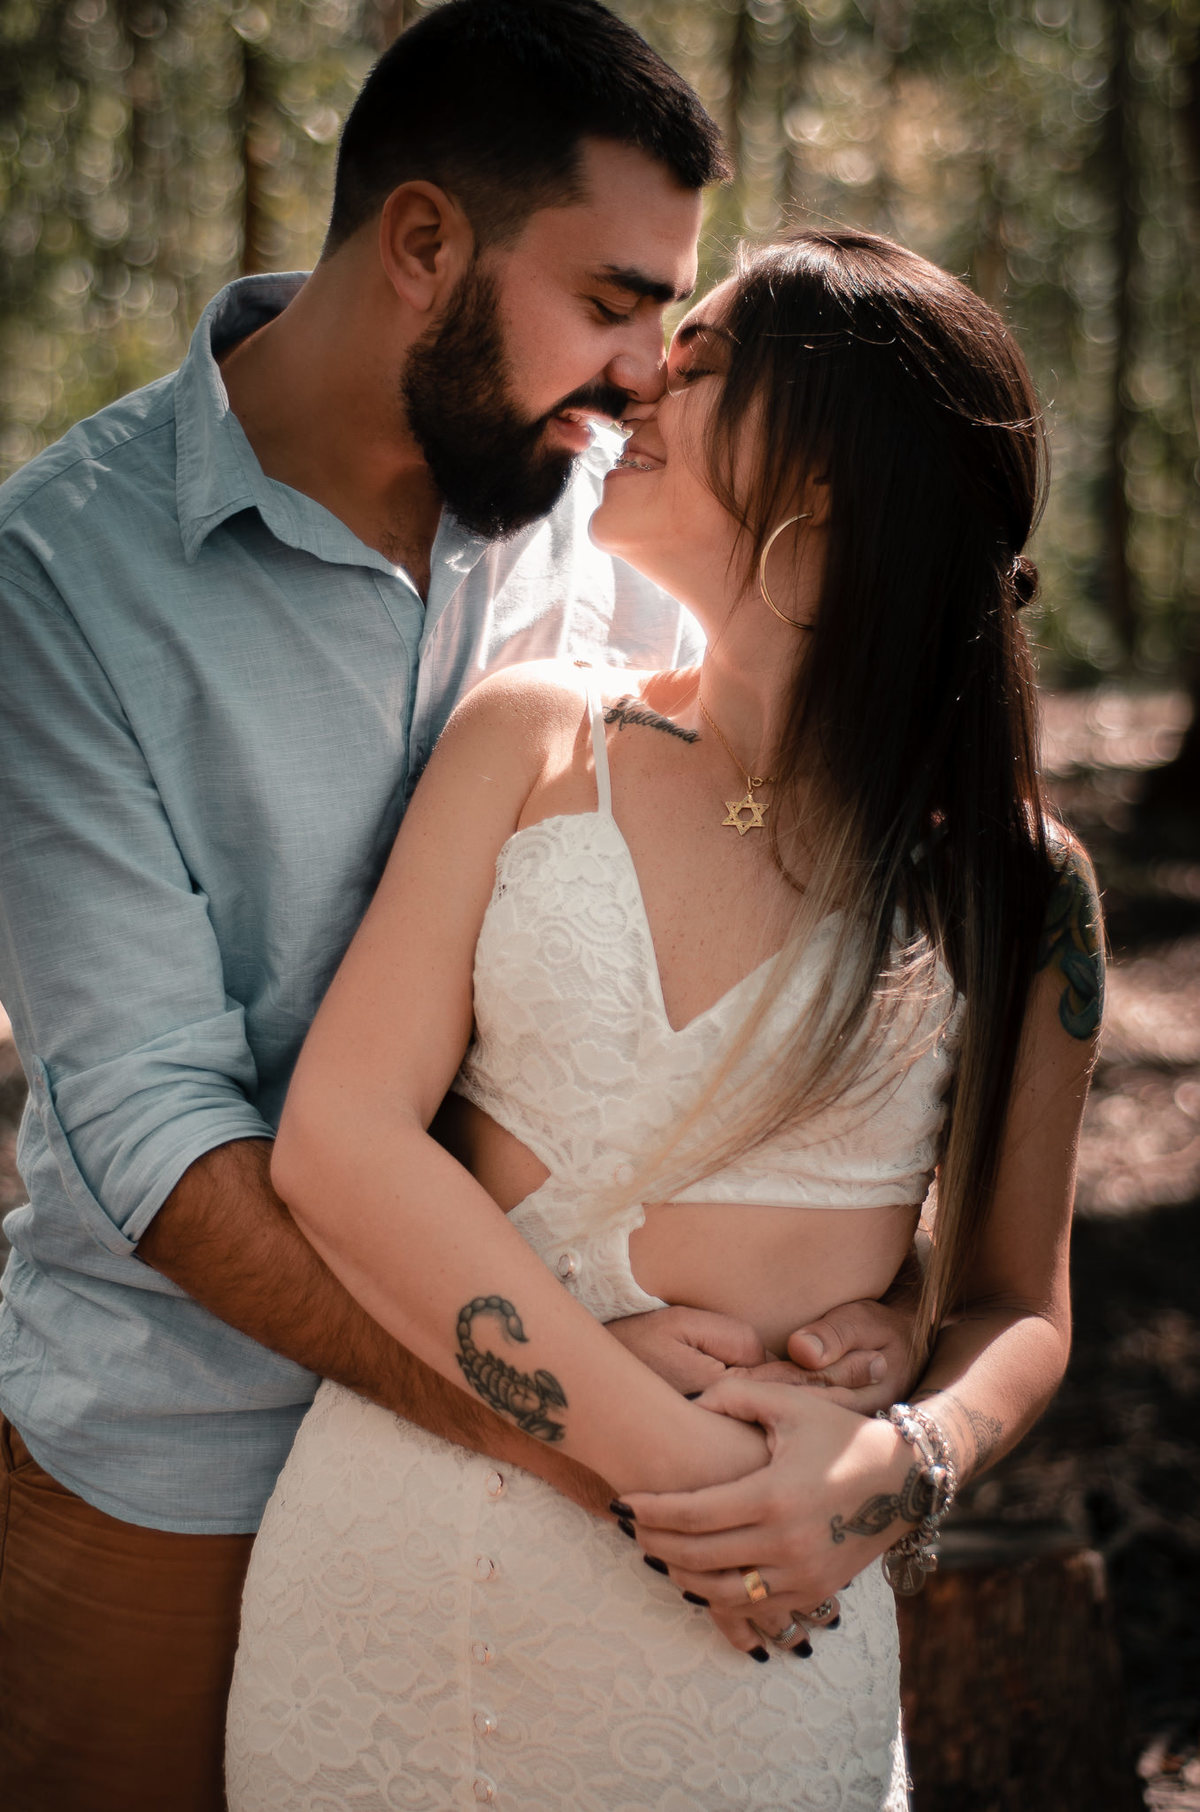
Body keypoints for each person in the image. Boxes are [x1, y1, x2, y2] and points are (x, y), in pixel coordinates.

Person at [0, 6, 907, 1808]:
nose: (652, 371)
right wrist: (586, 1425)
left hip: (585, 1456)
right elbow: (151, 1129)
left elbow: (757, 924)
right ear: (423, 245)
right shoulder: (57, 575)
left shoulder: (624, 510)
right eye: (615, 300)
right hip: (181, 1462)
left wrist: (867, 1319)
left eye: (672, 317)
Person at [224, 230, 1104, 1810]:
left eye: (702, 358)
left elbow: (1014, 1307)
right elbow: (342, 1143)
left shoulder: (1022, 891)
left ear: (830, 477)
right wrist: (678, 1465)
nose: (639, 379)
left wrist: (895, 1476)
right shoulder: (533, 736)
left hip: (750, 1643)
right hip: (402, 1583)